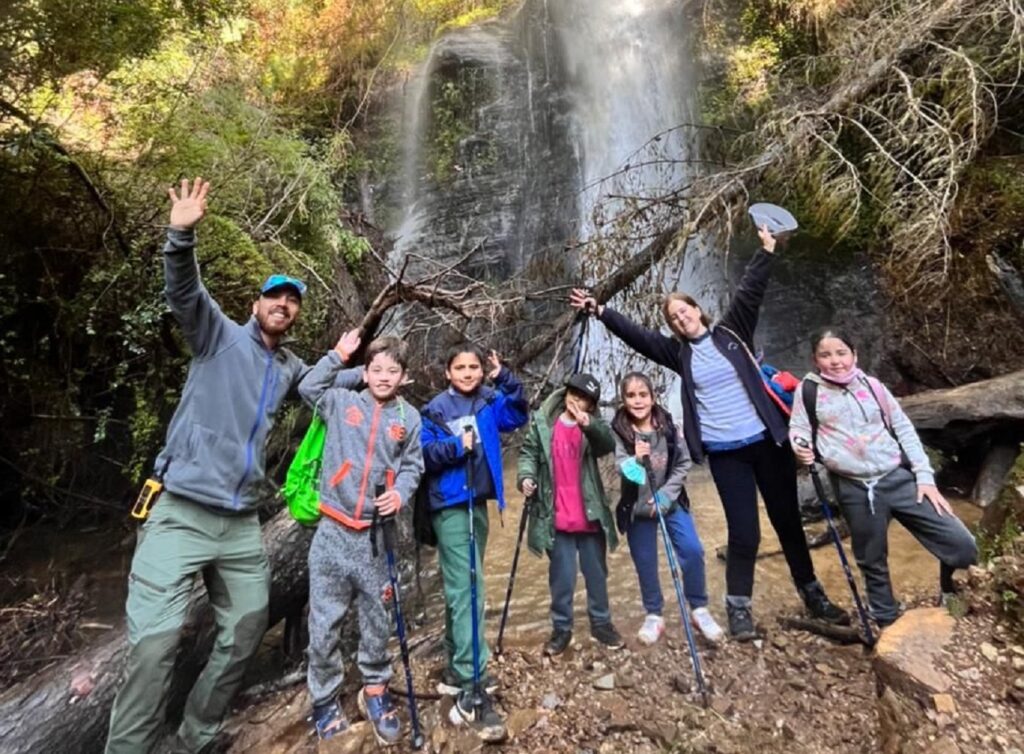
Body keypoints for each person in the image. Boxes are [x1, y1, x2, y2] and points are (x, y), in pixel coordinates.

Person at [106, 179, 311, 753]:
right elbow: (184, 292)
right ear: (256, 305)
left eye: (292, 300)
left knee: (247, 626)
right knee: (154, 643)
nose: (283, 305)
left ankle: (195, 735)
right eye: (275, 296)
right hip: (181, 509)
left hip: (241, 520)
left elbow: (329, 382)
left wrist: (360, 364)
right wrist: (181, 234)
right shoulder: (217, 336)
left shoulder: (290, 368)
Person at [569, 224, 847, 641]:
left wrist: (766, 250)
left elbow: (750, 290)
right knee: (744, 531)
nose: (681, 318)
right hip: (725, 452)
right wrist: (600, 310)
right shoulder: (676, 353)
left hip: (766, 443)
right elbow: (639, 338)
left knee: (788, 521)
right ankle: (739, 608)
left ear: (698, 310)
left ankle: (813, 596)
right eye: (673, 317)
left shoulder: (732, 332)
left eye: (685, 311)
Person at [789, 328, 978, 627]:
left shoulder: (873, 386)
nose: (835, 361)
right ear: (816, 360)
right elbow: (799, 428)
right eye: (826, 355)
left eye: (841, 353)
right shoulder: (808, 391)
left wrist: (925, 477)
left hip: (898, 478)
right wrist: (800, 446)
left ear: (854, 355)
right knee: (872, 560)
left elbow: (903, 429)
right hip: (852, 487)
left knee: (961, 543)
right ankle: (886, 620)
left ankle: (948, 590)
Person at [296, 329, 424, 744]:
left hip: (376, 537)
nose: (385, 377)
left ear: (404, 376)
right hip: (332, 532)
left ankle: (375, 687)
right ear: (365, 372)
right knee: (324, 622)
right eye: (377, 369)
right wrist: (340, 358)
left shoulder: (409, 419)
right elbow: (308, 385)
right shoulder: (340, 401)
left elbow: (412, 467)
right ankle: (324, 698)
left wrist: (401, 494)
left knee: (376, 617)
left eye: (393, 371)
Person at [420, 343, 528, 742]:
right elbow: (424, 456)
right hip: (450, 506)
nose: (467, 373)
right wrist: (454, 447)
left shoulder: (488, 403)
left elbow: (518, 414)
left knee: (463, 587)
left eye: (474, 367)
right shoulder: (434, 410)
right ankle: (472, 682)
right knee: (469, 588)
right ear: (447, 373)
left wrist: (505, 378)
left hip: (477, 505)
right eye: (460, 367)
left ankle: (454, 668)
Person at [611, 372, 725, 645]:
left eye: (643, 395)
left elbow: (683, 464)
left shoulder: (669, 427)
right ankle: (654, 615)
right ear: (623, 400)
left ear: (652, 397)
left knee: (692, 550)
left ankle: (699, 608)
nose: (638, 401)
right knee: (645, 562)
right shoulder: (619, 432)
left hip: (671, 503)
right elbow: (622, 470)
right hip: (637, 508)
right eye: (631, 396)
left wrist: (665, 496)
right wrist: (638, 462)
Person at [516, 372, 623, 657]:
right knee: (561, 578)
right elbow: (527, 453)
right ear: (565, 393)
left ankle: (602, 625)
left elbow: (607, 445)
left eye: (586, 399)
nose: (578, 400)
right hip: (556, 516)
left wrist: (588, 425)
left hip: (590, 515)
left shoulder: (594, 426)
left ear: (591, 405)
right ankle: (561, 629)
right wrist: (525, 477)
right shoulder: (543, 422)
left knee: (596, 574)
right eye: (575, 393)